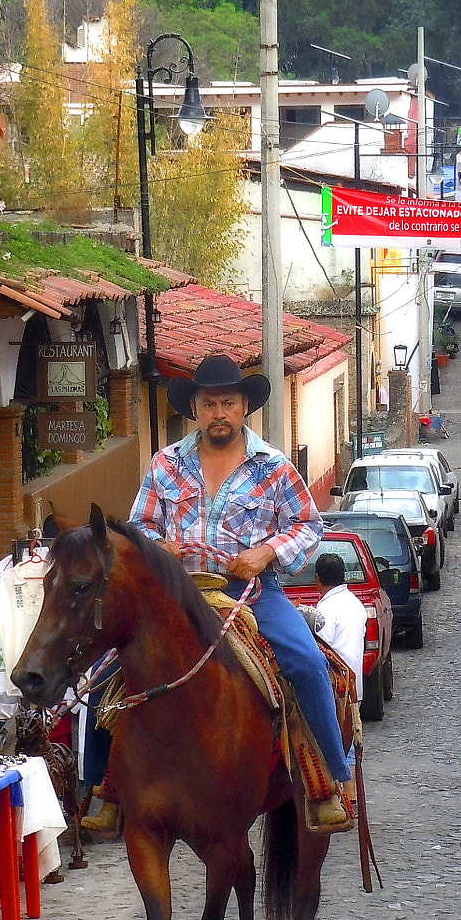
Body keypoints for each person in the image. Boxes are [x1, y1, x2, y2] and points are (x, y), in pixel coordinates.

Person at [131, 352, 353, 834]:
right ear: (195, 409)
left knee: (307, 662)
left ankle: (333, 780)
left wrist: (267, 552)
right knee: (112, 666)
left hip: (252, 593)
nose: (219, 413)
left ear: (243, 408)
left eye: (228, 403)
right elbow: (137, 527)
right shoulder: (165, 465)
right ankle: (105, 787)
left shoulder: (273, 467)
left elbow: (308, 524)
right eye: (209, 404)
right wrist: (159, 547)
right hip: (180, 593)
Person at [313, 551, 366, 700]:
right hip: (354, 689)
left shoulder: (326, 609)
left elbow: (320, 651)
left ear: (318, 578)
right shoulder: (355, 603)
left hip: (336, 692)